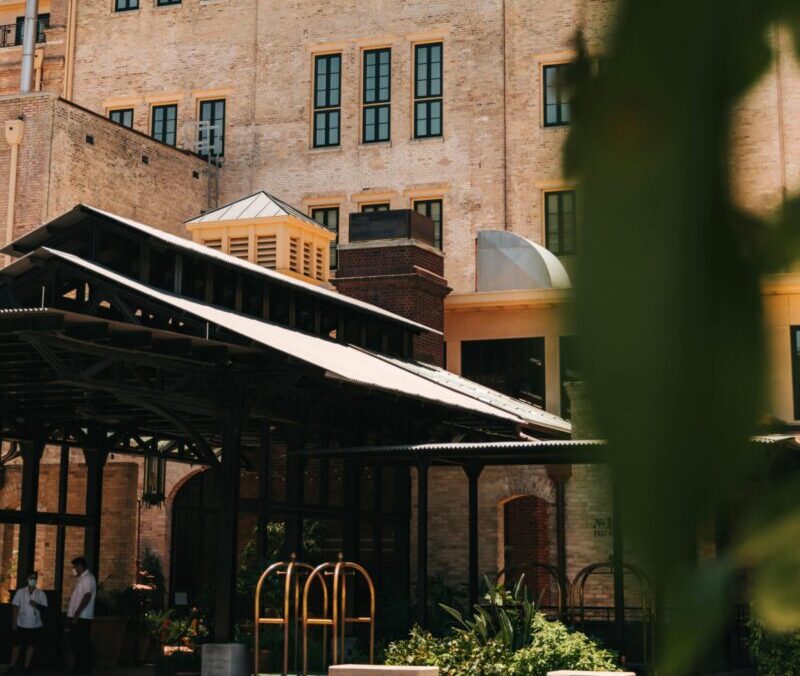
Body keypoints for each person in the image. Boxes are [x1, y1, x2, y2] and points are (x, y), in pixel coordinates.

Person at [9, 571, 48, 675]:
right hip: (21, 623)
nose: (33, 580)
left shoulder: (41, 593)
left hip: (35, 625)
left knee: (31, 646)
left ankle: (26, 667)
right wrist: (14, 623)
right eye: (31, 578)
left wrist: (36, 605)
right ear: (27, 579)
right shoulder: (20, 592)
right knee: (17, 645)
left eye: (34, 578)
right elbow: (15, 608)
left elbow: (45, 609)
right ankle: (12, 666)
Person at [66, 557, 96, 676]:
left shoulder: (88, 578)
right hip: (78, 616)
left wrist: (77, 613)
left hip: (82, 617)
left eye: (75, 567)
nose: (74, 569)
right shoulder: (81, 578)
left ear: (80, 566)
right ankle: (79, 667)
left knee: (81, 644)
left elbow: (87, 595)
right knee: (76, 643)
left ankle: (84, 669)